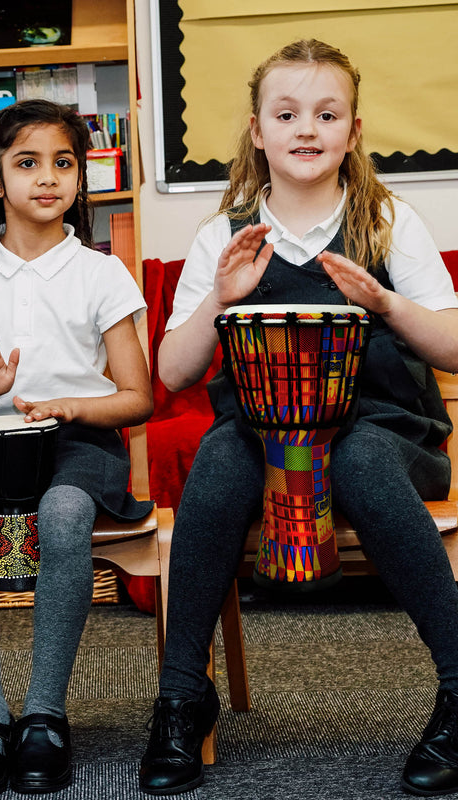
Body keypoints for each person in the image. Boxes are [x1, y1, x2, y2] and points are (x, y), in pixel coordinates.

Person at [138, 39, 458, 797]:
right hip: (261, 432)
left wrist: (383, 302)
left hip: (384, 428)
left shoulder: (388, 222)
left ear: (352, 129)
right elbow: (172, 373)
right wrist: (219, 294)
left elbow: (451, 348)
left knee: (358, 461)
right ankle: (183, 696)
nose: (306, 128)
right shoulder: (225, 235)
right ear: (258, 130)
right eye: (287, 114)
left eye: (326, 113)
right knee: (217, 459)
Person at [0, 99, 154, 797]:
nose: (48, 178)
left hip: (82, 442)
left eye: (63, 163)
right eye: (27, 163)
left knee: (62, 515)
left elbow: (137, 397)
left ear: (80, 177)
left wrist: (71, 405)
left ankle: (46, 717)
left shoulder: (101, 272)